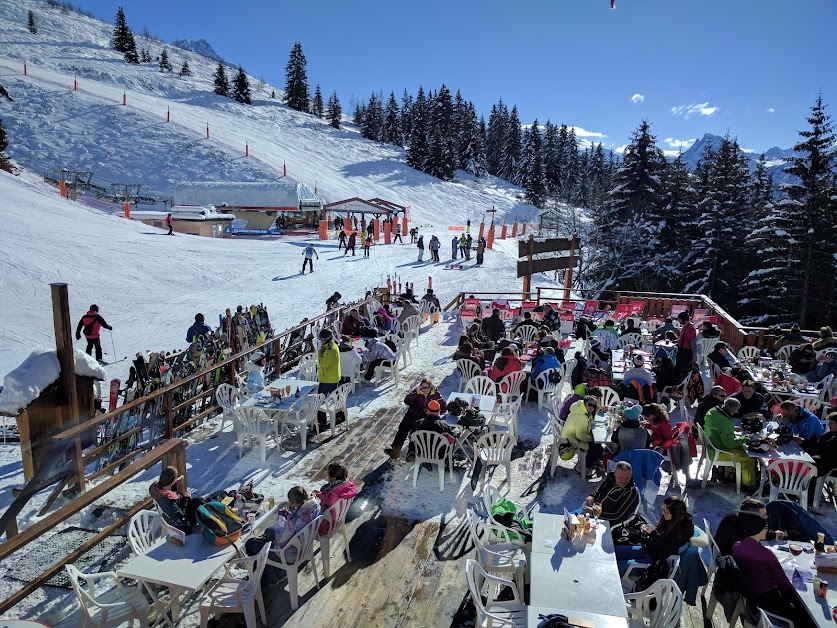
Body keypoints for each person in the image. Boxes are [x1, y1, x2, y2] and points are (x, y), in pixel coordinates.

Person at [731, 512, 813, 628]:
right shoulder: (766, 554)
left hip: (749, 593)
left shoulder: (736, 546)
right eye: (765, 527)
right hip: (767, 601)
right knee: (806, 616)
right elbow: (784, 584)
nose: (766, 530)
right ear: (758, 529)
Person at [615, 496, 695, 573]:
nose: (663, 513)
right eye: (663, 509)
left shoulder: (680, 532)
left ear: (676, 515)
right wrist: (644, 534)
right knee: (614, 552)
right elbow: (657, 537)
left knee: (619, 567)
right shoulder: (668, 520)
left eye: (666, 512)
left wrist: (653, 534)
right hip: (647, 550)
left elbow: (665, 549)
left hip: (654, 562)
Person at [248, 486, 321, 563]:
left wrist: (282, 517)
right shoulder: (313, 505)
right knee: (269, 531)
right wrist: (290, 515)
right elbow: (299, 521)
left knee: (251, 543)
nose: (289, 502)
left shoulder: (295, 519)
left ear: (294, 502)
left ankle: (261, 569)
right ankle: (266, 561)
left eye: (290, 501)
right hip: (305, 545)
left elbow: (281, 540)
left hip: (290, 555)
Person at [385, 379, 446, 460]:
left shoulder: (436, 395)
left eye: (427, 387)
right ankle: (395, 450)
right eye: (423, 387)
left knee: (416, 433)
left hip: (424, 418)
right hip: (412, 414)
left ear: (431, 387)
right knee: (403, 428)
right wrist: (416, 394)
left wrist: (432, 413)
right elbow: (407, 401)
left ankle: (412, 452)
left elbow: (444, 408)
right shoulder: (417, 392)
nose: (425, 390)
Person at [704, 397, 757, 489]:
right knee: (749, 457)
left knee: (741, 448)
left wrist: (731, 429)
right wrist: (745, 439)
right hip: (719, 452)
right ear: (733, 410)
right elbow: (729, 444)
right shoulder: (726, 423)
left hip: (712, 446)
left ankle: (732, 473)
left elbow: (718, 427)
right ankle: (748, 484)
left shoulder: (713, 412)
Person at [715, 498, 788, 556]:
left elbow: (757, 532)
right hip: (729, 559)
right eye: (763, 515)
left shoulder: (738, 515)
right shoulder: (738, 528)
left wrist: (774, 534)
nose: (766, 517)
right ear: (753, 515)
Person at [149, 465, 204, 532]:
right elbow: (181, 516)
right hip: (181, 523)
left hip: (168, 515)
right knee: (201, 503)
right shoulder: (167, 500)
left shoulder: (156, 489)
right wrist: (186, 498)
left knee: (200, 502)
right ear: (172, 481)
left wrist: (175, 483)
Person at [561, 395, 603, 476]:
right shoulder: (581, 415)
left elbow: (585, 427)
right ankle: (584, 467)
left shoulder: (583, 411)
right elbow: (581, 436)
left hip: (573, 436)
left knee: (596, 445)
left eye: (594, 406)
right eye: (589, 404)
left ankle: (590, 460)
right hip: (571, 441)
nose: (592, 407)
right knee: (597, 448)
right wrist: (593, 438)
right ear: (584, 403)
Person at [314, 461, 357, 535]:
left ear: (333, 477)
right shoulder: (348, 486)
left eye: (328, 475)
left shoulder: (331, 493)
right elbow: (331, 501)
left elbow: (326, 504)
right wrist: (321, 495)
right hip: (339, 520)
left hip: (326, 526)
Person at [802, 412, 837, 478]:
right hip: (822, 460)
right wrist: (803, 442)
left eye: (831, 423)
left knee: (805, 465)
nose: (829, 425)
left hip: (830, 467)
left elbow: (822, 449)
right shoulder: (830, 434)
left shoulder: (834, 439)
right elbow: (818, 443)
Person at [317, 328, 341, 396]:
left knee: (319, 400)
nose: (320, 340)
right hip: (332, 377)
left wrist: (319, 352)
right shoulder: (331, 345)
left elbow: (322, 363)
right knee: (336, 398)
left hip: (327, 379)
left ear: (326, 339)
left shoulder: (330, 350)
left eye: (321, 339)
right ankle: (339, 405)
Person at [676, 310, 698, 378]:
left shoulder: (691, 329)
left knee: (683, 368)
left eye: (679, 319)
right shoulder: (685, 326)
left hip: (686, 352)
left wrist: (694, 357)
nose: (679, 321)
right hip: (681, 349)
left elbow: (693, 343)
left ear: (684, 320)